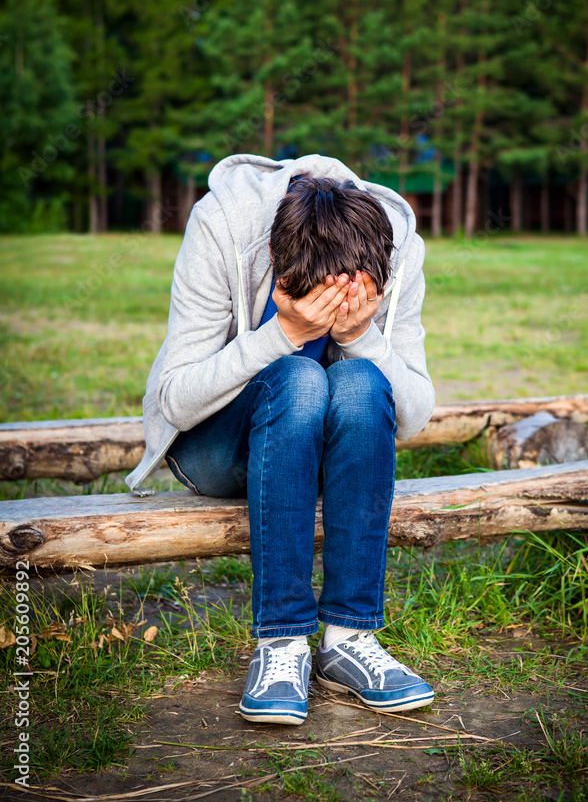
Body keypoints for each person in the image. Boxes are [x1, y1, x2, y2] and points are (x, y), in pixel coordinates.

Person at [125, 153, 436, 725]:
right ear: (274, 256)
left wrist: (364, 336)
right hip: (214, 449)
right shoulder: (224, 224)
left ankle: (348, 639)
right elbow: (175, 398)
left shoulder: (395, 248)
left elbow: (413, 415)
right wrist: (284, 334)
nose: (334, 306)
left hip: (320, 455)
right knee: (297, 378)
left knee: (364, 382)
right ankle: (283, 643)